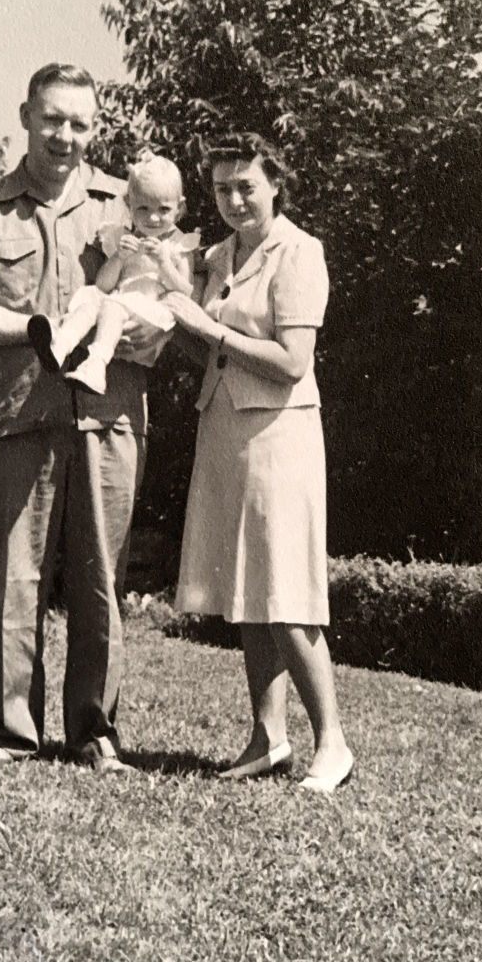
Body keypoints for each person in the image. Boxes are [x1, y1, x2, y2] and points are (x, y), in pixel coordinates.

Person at [0, 62, 152, 774]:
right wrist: (31, 328)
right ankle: (12, 731)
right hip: (16, 415)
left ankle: (94, 732)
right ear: (25, 115)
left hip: (109, 417)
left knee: (99, 579)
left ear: (96, 129)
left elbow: (162, 302)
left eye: (81, 123)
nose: (66, 136)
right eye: (53, 118)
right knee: (17, 579)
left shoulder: (123, 207)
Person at [166, 132, 354, 793]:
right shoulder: (215, 256)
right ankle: (267, 737)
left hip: (282, 434)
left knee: (288, 594)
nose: (235, 198)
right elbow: (212, 355)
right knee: (249, 591)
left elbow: (290, 362)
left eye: (247, 184)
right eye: (222, 188)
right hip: (223, 428)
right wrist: (180, 323)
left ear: (275, 183)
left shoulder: (299, 253)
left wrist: (209, 327)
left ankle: (332, 744)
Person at [26, 152, 199, 395]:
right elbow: (103, 286)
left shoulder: (178, 245)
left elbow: (185, 293)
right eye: (143, 208)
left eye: (164, 209)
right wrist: (118, 257)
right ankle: (60, 343)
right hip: (118, 307)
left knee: (112, 306)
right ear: (129, 205)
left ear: (179, 209)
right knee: (91, 299)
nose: (152, 217)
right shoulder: (122, 238)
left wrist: (164, 262)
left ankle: (96, 367)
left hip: (150, 319)